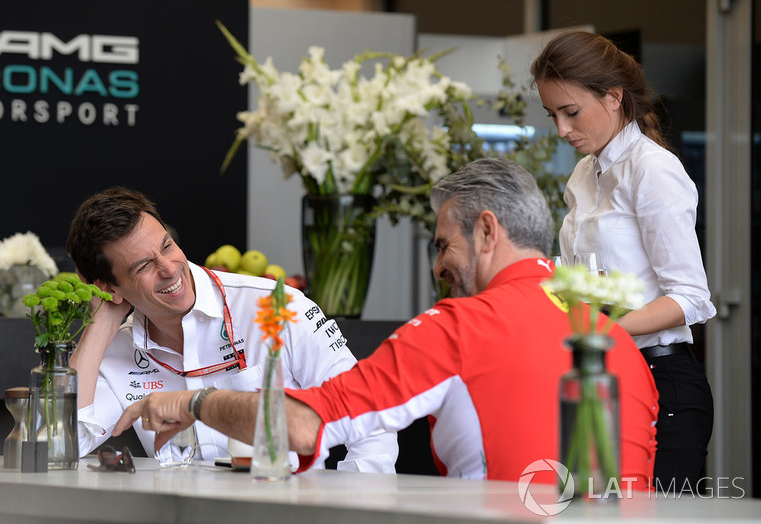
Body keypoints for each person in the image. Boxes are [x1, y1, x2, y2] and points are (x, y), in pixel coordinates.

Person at [114, 158, 659, 487]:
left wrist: (192, 403)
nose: (438, 266)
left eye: (444, 244)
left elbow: (303, 424)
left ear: (488, 232)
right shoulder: (616, 339)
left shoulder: (460, 326)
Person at [66, 186, 397, 473]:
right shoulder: (118, 348)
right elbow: (63, 446)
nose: (169, 269)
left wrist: (353, 512)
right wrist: (99, 322)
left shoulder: (278, 306)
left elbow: (369, 416)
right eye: (143, 266)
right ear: (110, 288)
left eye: (167, 246)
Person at [531, 30, 717, 492]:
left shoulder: (652, 169)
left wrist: (602, 329)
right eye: (552, 114)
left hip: (661, 380)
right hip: (599, 378)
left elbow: (691, 298)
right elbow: (595, 287)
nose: (561, 130)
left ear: (614, 97)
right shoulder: (582, 173)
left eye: (570, 112)